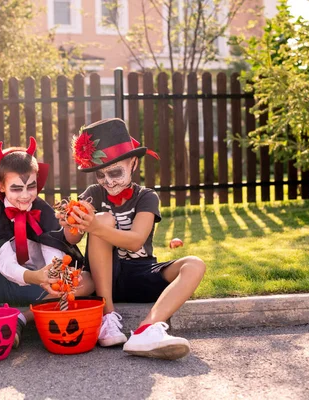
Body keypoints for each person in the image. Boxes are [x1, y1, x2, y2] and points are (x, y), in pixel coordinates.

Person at [61, 118, 206, 360]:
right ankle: (107, 318)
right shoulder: (92, 195)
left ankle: (146, 329)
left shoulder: (146, 197)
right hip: (102, 277)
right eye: (100, 175)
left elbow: (136, 241)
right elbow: (71, 238)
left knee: (195, 264)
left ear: (133, 163)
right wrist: (72, 222)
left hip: (140, 271)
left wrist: (95, 224)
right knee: (104, 220)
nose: (108, 181)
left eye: (116, 172)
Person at [0, 137, 93, 348]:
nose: (25, 196)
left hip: (42, 286)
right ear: (0, 186)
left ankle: (22, 318)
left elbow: (54, 247)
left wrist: (52, 274)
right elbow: (5, 265)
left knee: (87, 280)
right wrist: (36, 276)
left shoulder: (43, 210)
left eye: (31, 187)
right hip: (2, 285)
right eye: (16, 189)